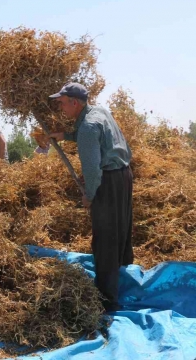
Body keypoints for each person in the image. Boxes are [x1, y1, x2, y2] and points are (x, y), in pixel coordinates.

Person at [47, 82, 133, 312]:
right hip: (124, 175)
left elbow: (92, 169)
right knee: (120, 229)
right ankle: (123, 278)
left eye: (63, 103)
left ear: (75, 103)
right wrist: (65, 135)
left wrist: (90, 195)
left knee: (105, 238)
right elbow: (93, 136)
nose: (61, 109)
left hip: (107, 181)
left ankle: (107, 300)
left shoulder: (87, 127)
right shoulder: (100, 112)